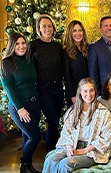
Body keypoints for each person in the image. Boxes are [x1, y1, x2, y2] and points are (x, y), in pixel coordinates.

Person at [28, 77, 111, 173]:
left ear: (95, 91)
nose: (89, 94)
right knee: (51, 159)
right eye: (85, 91)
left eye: (91, 90)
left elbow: (106, 137)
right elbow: (66, 132)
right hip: (72, 145)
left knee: (65, 164)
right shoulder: (73, 111)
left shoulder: (103, 112)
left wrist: (84, 150)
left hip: (92, 150)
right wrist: (68, 147)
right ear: (80, 92)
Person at [0, 33, 41, 173]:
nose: (21, 46)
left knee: (26, 136)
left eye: (23, 43)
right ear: (12, 46)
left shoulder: (29, 60)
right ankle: (24, 165)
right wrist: (20, 108)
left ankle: (29, 166)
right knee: (35, 136)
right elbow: (9, 89)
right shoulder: (6, 63)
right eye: (17, 44)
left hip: (34, 103)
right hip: (20, 107)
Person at [29, 14, 69, 154]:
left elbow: (64, 69)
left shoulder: (58, 46)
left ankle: (53, 153)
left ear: (54, 28)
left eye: (50, 26)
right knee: (53, 121)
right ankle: (50, 155)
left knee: (54, 121)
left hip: (58, 88)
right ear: (39, 29)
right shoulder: (33, 45)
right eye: (44, 26)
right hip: (42, 89)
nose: (47, 29)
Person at [63, 20, 89, 107]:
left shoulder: (89, 48)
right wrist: (72, 95)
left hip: (89, 91)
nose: (78, 33)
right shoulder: (66, 51)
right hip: (75, 92)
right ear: (70, 33)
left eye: (80, 30)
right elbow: (67, 76)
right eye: (74, 30)